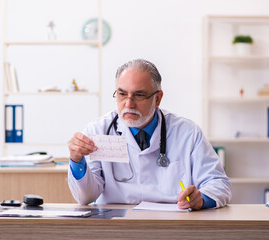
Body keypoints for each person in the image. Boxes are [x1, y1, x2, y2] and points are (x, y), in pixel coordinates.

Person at [68, 59, 231, 210]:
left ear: (158, 98)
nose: (129, 104)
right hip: (116, 225)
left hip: (170, 225)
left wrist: (201, 198)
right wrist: (76, 160)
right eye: (122, 94)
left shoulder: (188, 133)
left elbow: (219, 184)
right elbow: (85, 197)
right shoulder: (98, 130)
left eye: (139, 95)